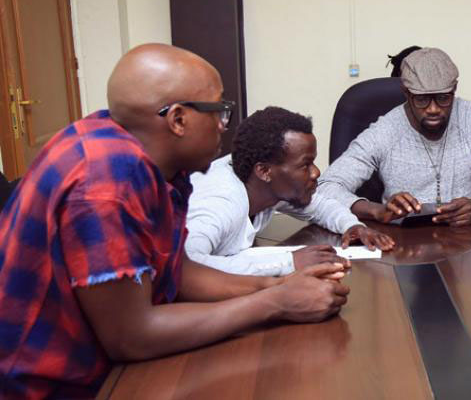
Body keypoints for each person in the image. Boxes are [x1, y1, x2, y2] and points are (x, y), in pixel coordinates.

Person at [0, 44, 350, 398]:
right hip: (50, 388)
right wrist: (276, 304)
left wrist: (277, 286)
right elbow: (131, 337)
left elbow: (178, 271)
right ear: (178, 120)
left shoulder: (152, 161)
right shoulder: (107, 180)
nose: (223, 127)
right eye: (219, 111)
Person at [319, 47, 471, 227]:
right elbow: (326, 187)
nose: (433, 109)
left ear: (454, 90)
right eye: (422, 100)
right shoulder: (384, 131)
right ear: (406, 93)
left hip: (464, 242)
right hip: (401, 245)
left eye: (442, 98)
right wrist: (377, 210)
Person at [185, 106, 394, 276]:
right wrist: (289, 262)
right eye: (306, 165)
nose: (316, 172)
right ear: (264, 171)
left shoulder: (265, 183)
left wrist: (352, 226)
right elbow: (187, 268)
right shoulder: (219, 202)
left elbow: (320, 205)